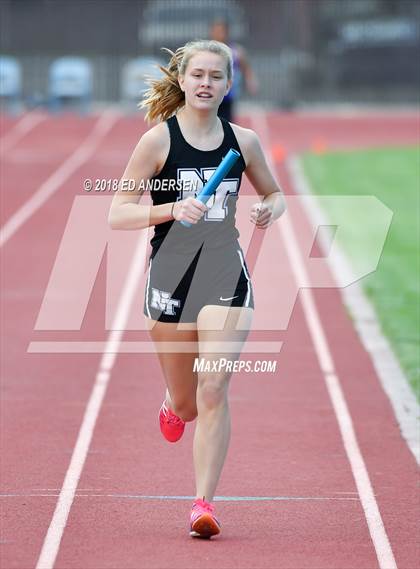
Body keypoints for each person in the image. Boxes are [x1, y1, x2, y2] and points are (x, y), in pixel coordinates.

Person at [108, 39, 286, 539]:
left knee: (213, 388)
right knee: (187, 404)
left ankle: (203, 503)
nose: (206, 83)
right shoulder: (157, 143)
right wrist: (170, 209)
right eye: (198, 75)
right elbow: (117, 212)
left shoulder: (243, 142)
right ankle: (171, 402)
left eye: (216, 76)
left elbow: (273, 193)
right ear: (182, 81)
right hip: (169, 278)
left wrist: (270, 208)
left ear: (230, 85)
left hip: (224, 272)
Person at [209, 19, 258, 122]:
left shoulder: (236, 51)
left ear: (226, 33)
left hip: (228, 93)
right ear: (212, 32)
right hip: (210, 93)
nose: (219, 34)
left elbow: (246, 67)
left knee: (226, 121)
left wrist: (251, 81)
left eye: (221, 31)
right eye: (216, 31)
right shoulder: (206, 50)